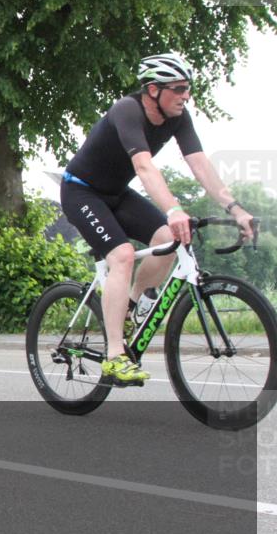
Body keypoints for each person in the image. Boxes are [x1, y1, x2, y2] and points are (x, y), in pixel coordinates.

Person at [61, 52, 255, 385]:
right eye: (178, 89)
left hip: (117, 192)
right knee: (121, 255)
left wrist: (235, 208)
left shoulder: (179, 117)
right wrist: (174, 208)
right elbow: (144, 167)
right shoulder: (127, 110)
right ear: (153, 90)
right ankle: (114, 356)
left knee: (167, 238)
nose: (185, 96)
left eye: (188, 89)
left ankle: (131, 306)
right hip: (82, 191)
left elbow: (200, 166)